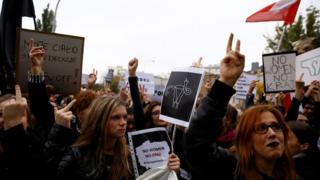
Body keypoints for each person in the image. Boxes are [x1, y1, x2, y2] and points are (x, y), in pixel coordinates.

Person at [185, 33, 296, 180]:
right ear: (246, 139)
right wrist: (225, 82)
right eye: (262, 128)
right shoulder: (231, 171)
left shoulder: (294, 174)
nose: (272, 133)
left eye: (276, 126)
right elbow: (197, 145)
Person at [57, 96, 132, 180]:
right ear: (100, 120)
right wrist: (59, 129)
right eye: (115, 117)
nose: (123, 123)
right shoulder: (79, 156)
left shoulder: (128, 154)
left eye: (125, 117)